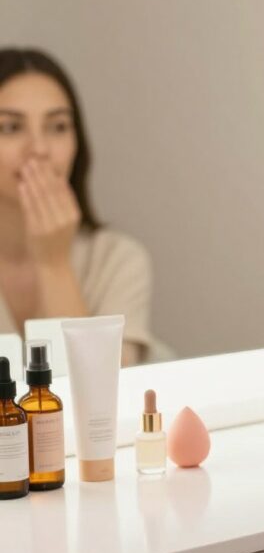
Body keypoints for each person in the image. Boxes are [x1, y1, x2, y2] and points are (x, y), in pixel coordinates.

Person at [0, 48, 153, 366]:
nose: (39, 149)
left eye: (57, 127)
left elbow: (106, 396)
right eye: (11, 128)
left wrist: (54, 263)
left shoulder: (118, 260)